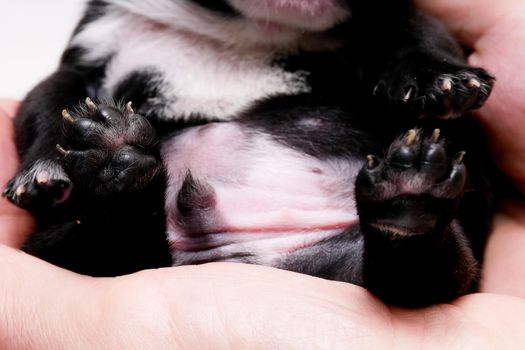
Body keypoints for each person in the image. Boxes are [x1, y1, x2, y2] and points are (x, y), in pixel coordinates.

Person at [1, 0, 525, 347]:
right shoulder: (126, 14)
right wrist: (48, 156)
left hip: (344, 232)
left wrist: (428, 71)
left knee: (421, 270)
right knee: (86, 233)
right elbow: (60, 93)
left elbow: (409, 40)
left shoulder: (376, 21)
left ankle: (408, 230)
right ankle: (126, 192)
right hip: (161, 242)